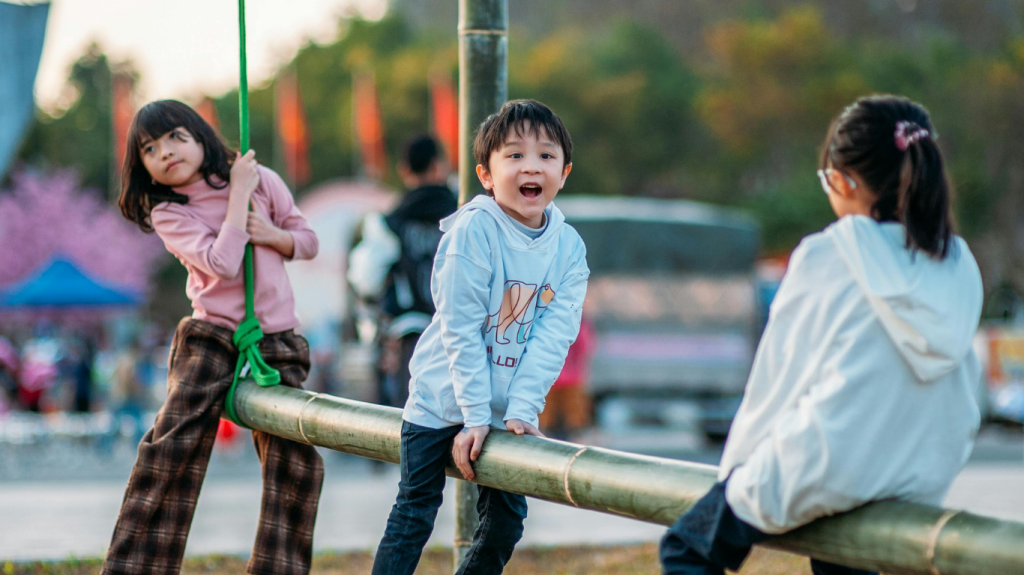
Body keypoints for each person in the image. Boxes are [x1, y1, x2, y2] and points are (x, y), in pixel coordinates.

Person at [659, 95, 984, 575]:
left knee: (685, 549)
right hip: (923, 470)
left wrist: (735, 478)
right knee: (841, 560)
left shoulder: (828, 252)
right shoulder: (956, 258)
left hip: (831, 462)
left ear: (844, 181)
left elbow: (779, 380)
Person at [105, 100, 323, 575]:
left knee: (296, 462)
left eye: (175, 138)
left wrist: (270, 233)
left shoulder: (261, 179)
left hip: (276, 335)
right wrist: (238, 196)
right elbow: (222, 264)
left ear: (200, 136)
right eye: (150, 149)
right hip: (211, 336)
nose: (165, 152)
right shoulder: (170, 211)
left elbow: (308, 241)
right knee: (170, 451)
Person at [372, 99, 589, 575]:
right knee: (414, 513)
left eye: (546, 155)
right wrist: (473, 415)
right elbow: (460, 327)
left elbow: (553, 337)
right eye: (514, 155)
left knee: (507, 522)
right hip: (441, 398)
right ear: (486, 175)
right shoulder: (474, 229)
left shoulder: (569, 248)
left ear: (564, 172)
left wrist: (521, 410)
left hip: (505, 413)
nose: (531, 166)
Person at [348, 134, 458, 409]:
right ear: (440, 166)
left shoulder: (387, 224)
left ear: (404, 171)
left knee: (407, 417)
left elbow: (366, 279)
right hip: (461, 335)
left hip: (410, 338)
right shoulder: (465, 216)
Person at [538, 315, 594, 440]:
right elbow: (585, 348)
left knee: (549, 421)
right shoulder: (579, 324)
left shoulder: (550, 321)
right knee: (572, 421)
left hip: (554, 378)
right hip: (569, 379)